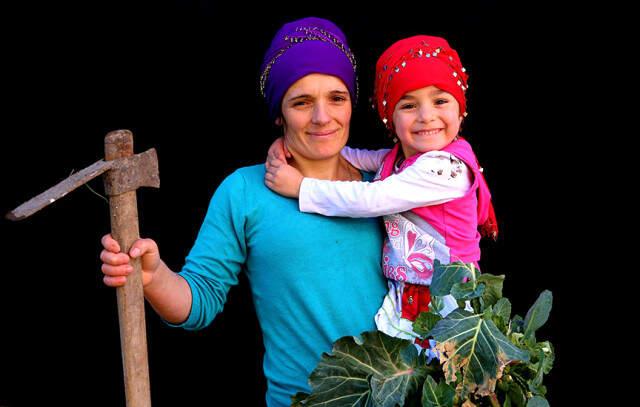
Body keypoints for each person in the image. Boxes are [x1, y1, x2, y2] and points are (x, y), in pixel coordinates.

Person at [98, 17, 387, 407]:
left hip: (404, 392)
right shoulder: (246, 192)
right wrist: (152, 276)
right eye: (301, 102)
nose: (322, 117)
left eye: (336, 98)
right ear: (279, 114)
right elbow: (197, 302)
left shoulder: (389, 183)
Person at [264, 34, 498, 348]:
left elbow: (371, 198)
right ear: (391, 118)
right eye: (409, 105)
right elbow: (352, 155)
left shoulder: (446, 169)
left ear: (460, 110)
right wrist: (293, 143)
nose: (426, 116)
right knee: (405, 374)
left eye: (440, 100)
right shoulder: (401, 157)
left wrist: (302, 188)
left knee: (444, 378)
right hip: (413, 293)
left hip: (449, 301)